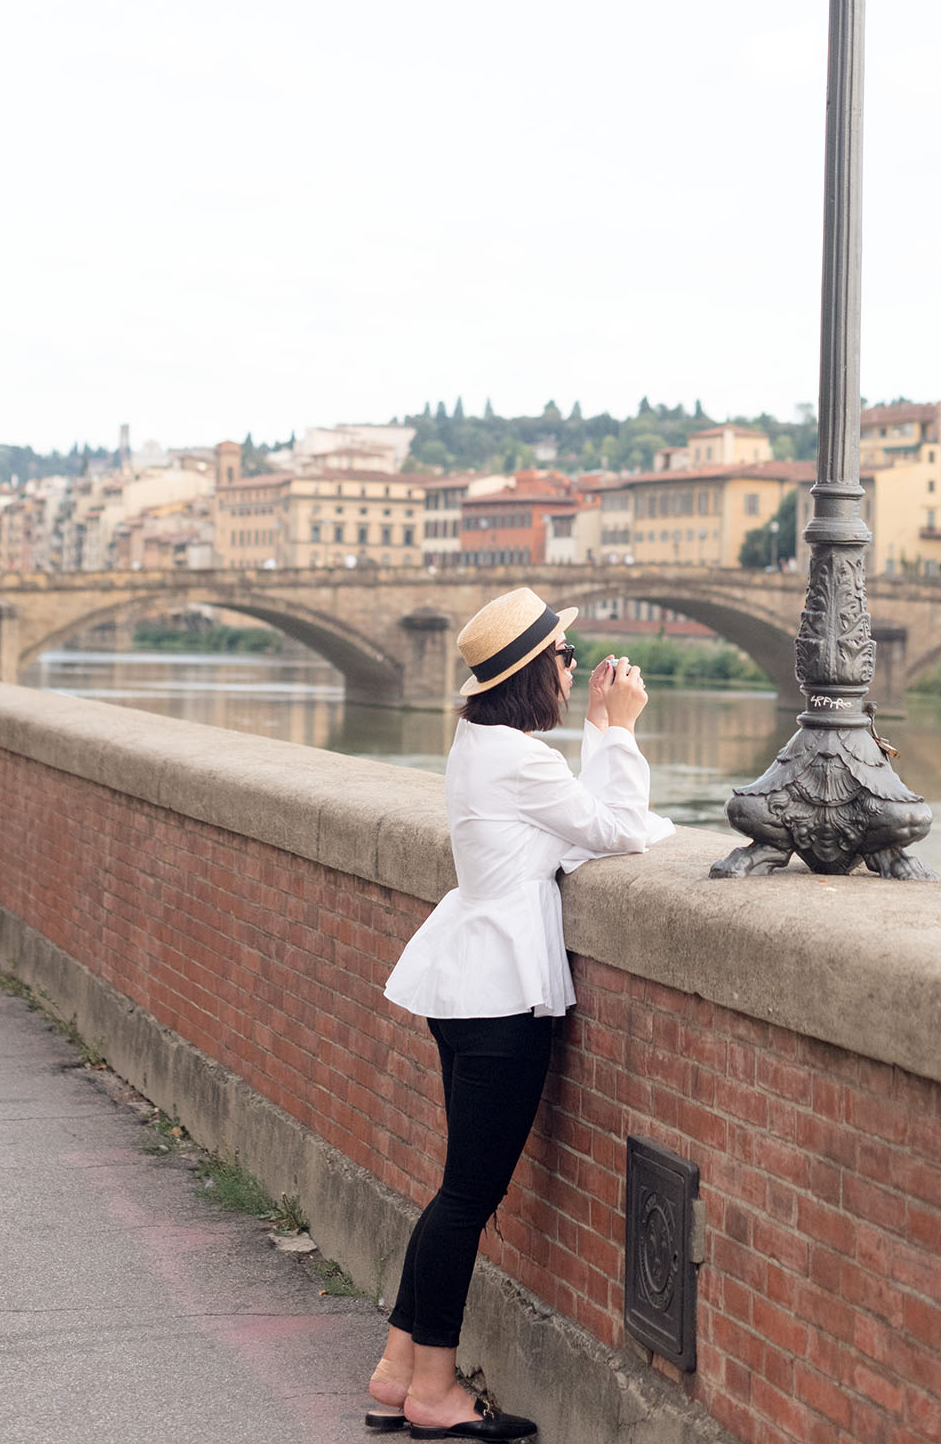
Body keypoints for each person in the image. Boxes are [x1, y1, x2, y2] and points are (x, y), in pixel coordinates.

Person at [366, 587, 673, 1441]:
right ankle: (433, 1391)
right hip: (501, 994)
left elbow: (553, 835)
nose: (576, 672)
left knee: (455, 1189)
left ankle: (399, 1370)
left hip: (465, 980)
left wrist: (599, 739)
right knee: (467, 1196)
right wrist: (616, 728)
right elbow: (615, 827)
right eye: (567, 660)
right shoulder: (523, 758)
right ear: (541, 672)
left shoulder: (482, 744)